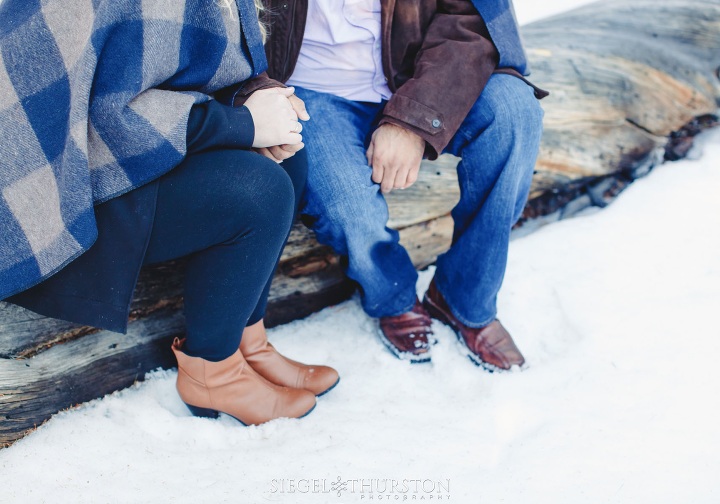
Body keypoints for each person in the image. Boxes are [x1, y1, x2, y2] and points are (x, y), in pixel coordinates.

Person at [0, 0, 338, 425]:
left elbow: (188, 67)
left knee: (287, 160)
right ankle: (212, 372)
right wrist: (243, 124)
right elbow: (105, 113)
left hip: (124, 142)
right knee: (259, 190)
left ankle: (246, 342)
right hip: (58, 179)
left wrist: (254, 96)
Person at [258, 0, 547, 370]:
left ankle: (464, 298)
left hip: (422, 72)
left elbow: (469, 21)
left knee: (513, 111)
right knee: (345, 204)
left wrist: (412, 120)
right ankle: (391, 295)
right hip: (310, 90)